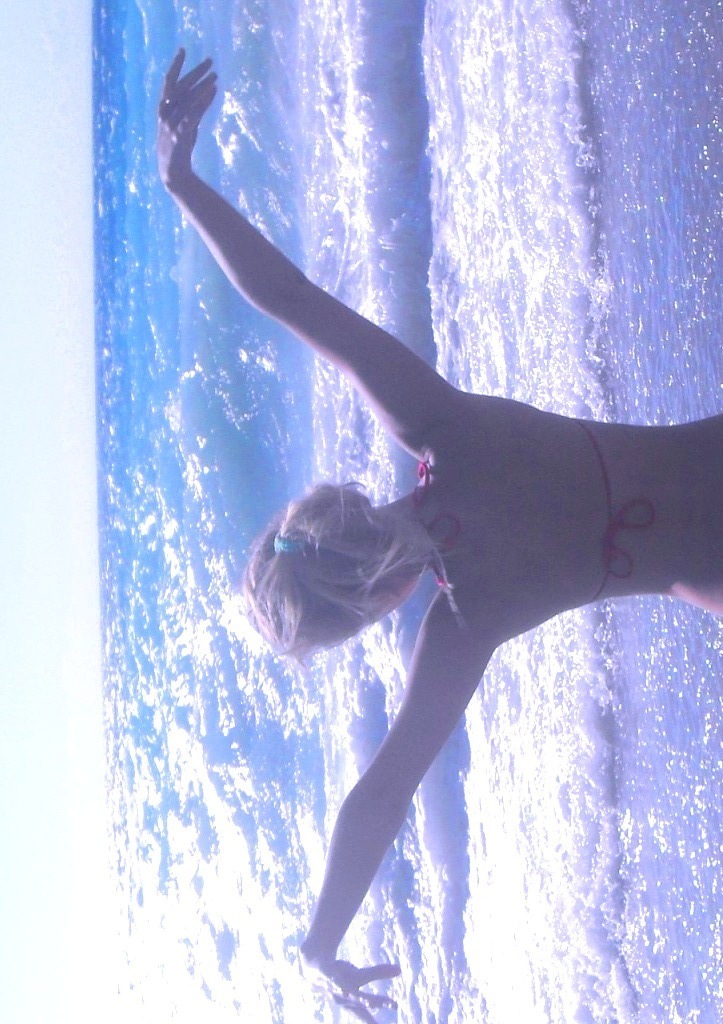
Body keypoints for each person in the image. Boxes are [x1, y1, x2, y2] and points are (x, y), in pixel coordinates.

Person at [157, 50, 723, 1020]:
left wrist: (320, 942)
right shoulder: (443, 430)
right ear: (329, 505)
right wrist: (182, 182)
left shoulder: (465, 625)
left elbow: (379, 797)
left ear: (374, 608)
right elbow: (292, 300)